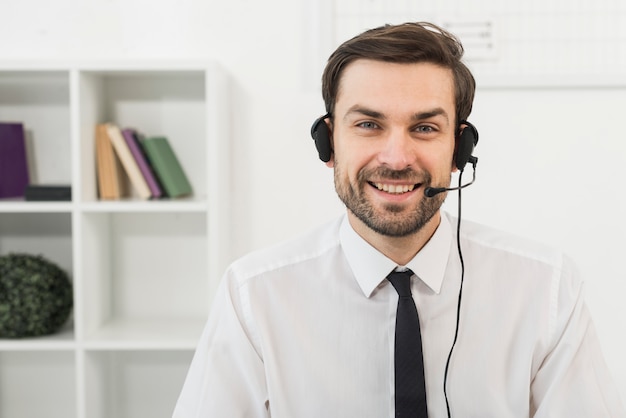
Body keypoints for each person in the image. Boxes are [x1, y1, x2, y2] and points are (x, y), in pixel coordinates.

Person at [173, 22, 625, 417]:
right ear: (329, 144)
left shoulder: (546, 290)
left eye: (425, 128)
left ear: (459, 151)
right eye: (368, 124)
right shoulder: (253, 297)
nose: (395, 158)